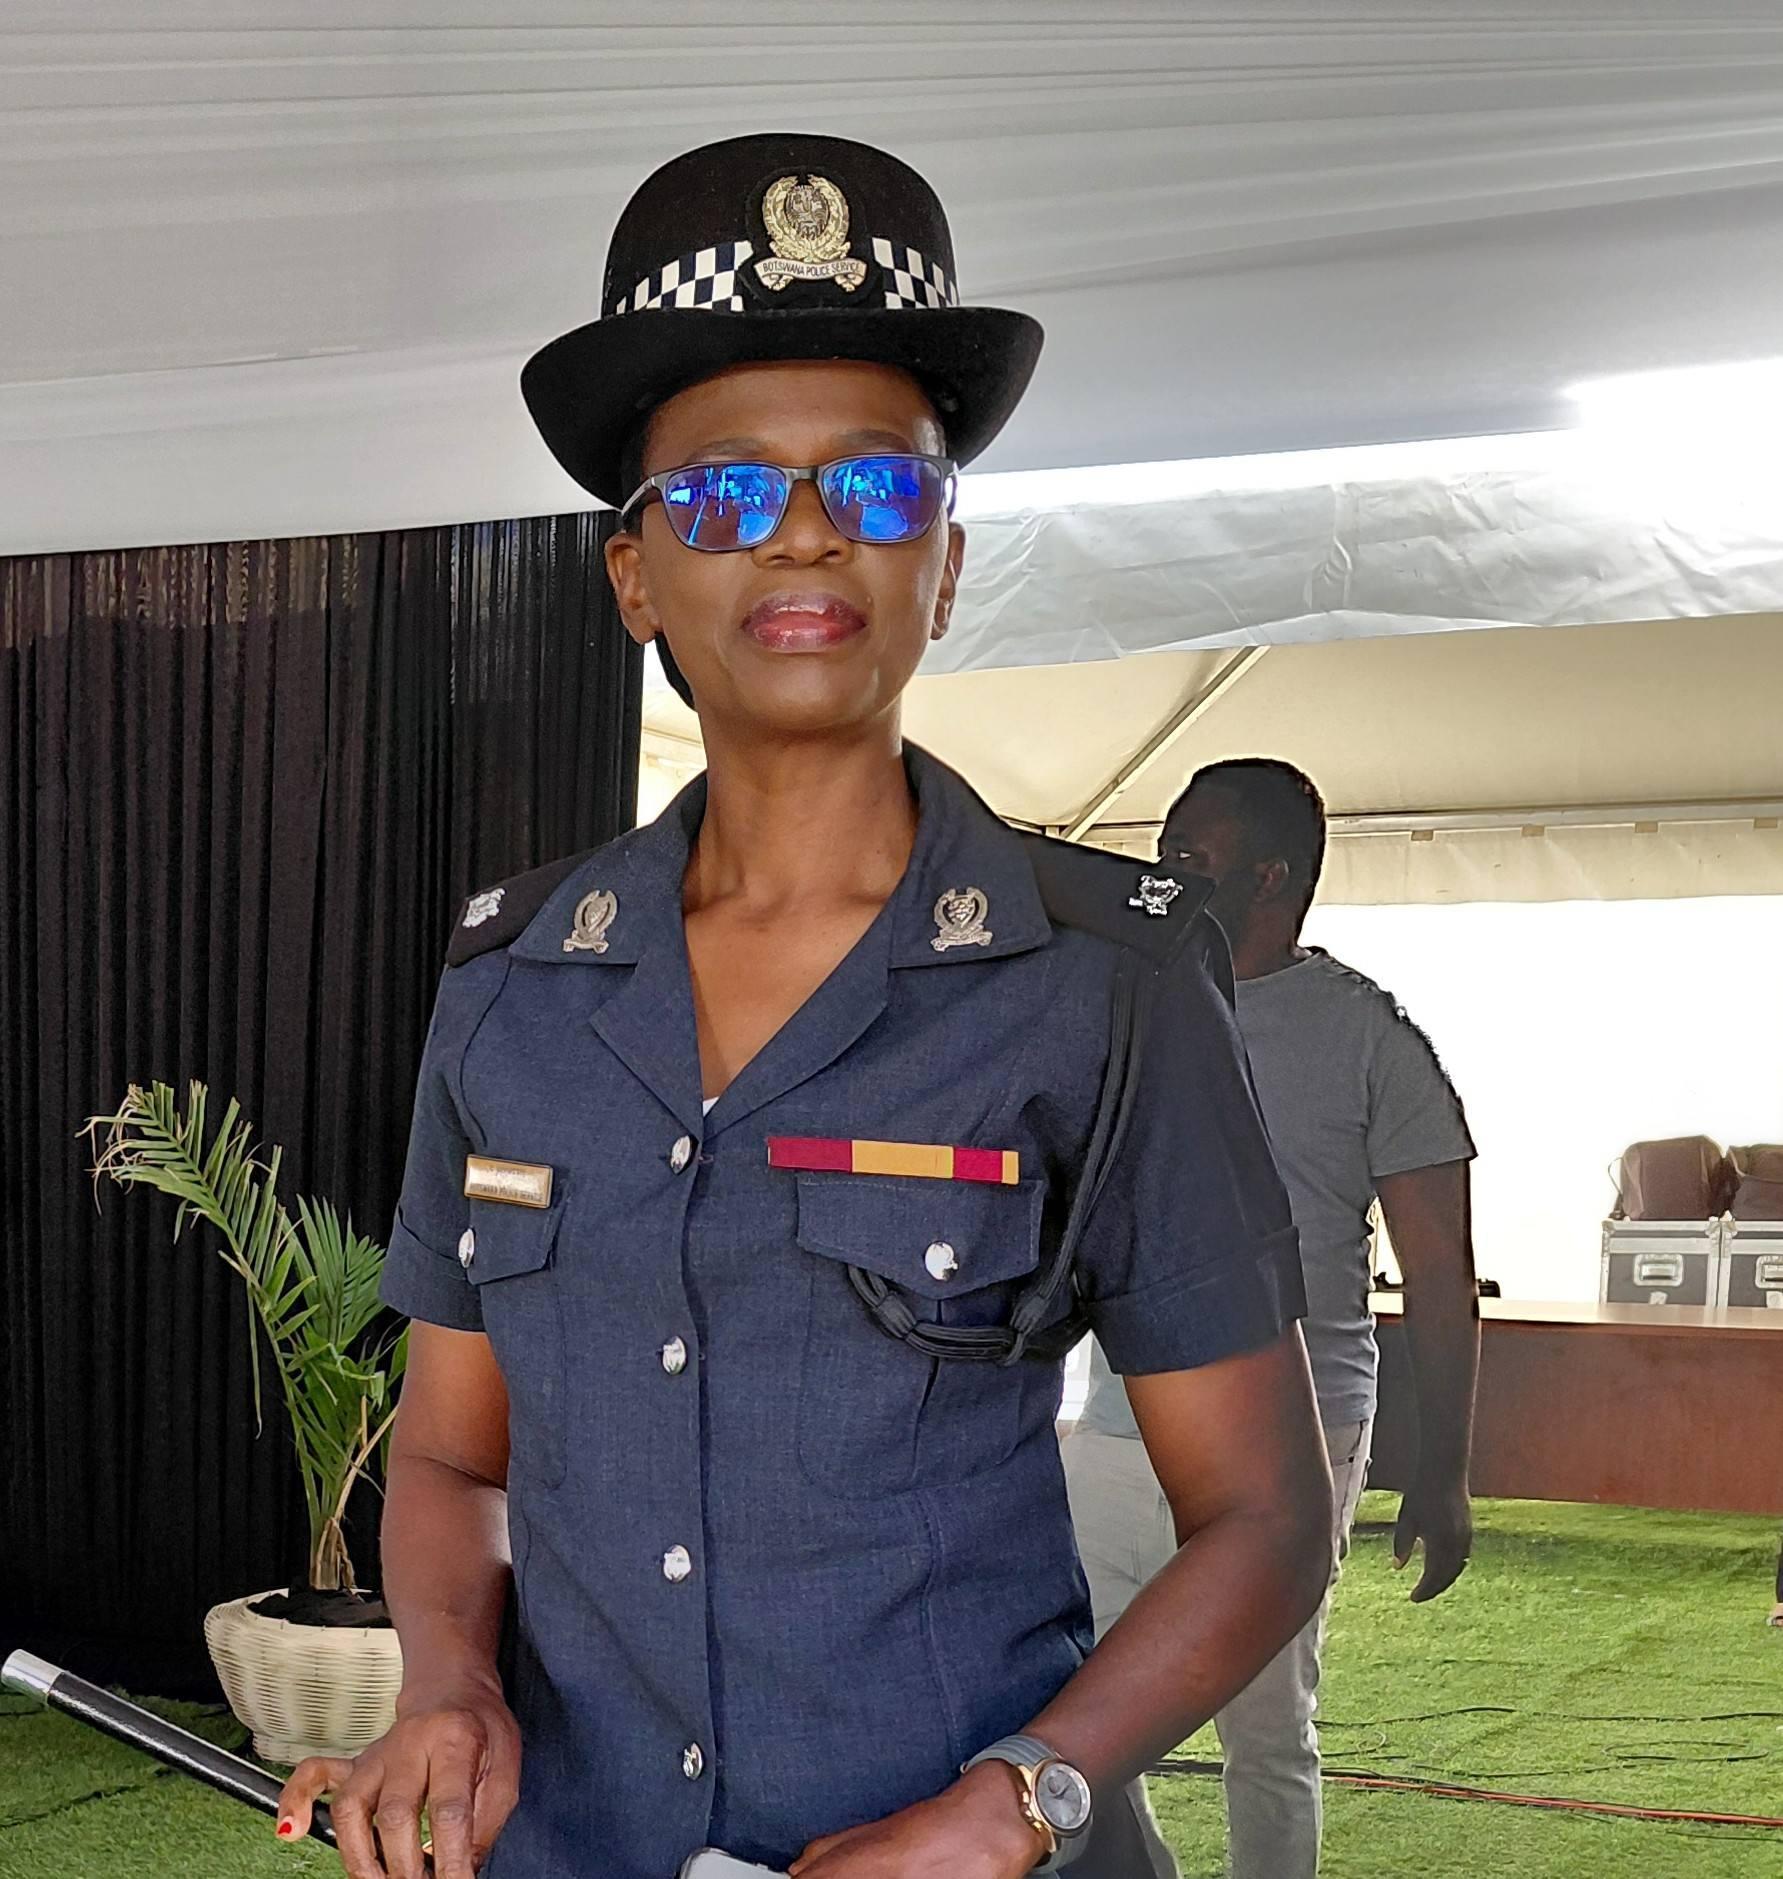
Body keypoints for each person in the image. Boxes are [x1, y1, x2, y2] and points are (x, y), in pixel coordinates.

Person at [276, 135, 1333, 1879]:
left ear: (945, 562)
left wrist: (1011, 1805)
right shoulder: (510, 987)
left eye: (878, 485)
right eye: (719, 492)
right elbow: (456, 1464)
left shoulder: (1106, 980)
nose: (807, 531)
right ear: (633, 576)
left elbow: (1263, 1513)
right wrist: (451, 1686)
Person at [1065, 758, 1480, 1879]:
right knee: (1070, 1708)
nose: (1160, 873)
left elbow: (1440, 1276)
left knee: (1264, 1730)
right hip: (1121, 1417)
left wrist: (1439, 1473)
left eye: (1186, 856)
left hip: (1295, 1429)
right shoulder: (1125, 1001)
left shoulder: (1369, 1038)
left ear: (1269, 877)